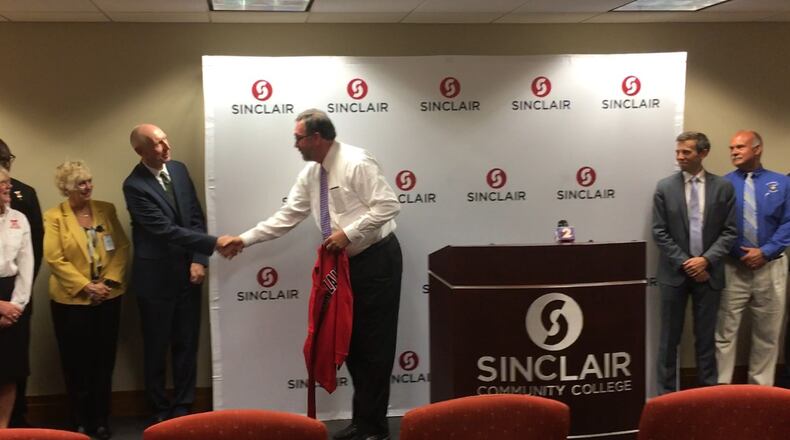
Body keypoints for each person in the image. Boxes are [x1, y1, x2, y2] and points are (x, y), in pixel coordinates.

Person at [219, 109, 402, 440]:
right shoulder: (312, 174)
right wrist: (244, 239)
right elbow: (288, 215)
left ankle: (376, 429)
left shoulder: (357, 162)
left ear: (317, 138)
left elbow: (388, 205)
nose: (295, 145)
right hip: (345, 266)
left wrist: (348, 233)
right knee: (353, 343)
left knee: (375, 346)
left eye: (298, 138)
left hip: (375, 261)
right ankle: (364, 422)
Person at [123, 124, 228, 424]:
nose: (166, 146)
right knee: (156, 347)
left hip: (188, 276)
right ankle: (158, 408)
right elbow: (164, 230)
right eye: (157, 143)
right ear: (140, 151)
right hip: (155, 281)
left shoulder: (179, 170)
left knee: (187, 343)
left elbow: (195, 216)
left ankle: (183, 406)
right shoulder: (134, 185)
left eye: (166, 138)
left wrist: (199, 259)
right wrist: (214, 244)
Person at [44, 161, 130, 438]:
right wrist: (86, 286)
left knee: (104, 363)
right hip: (71, 303)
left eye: (89, 181)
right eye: (81, 183)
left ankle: (102, 419)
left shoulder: (106, 209)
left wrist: (106, 283)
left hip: (108, 297)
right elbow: (55, 258)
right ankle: (80, 421)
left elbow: (122, 247)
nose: (88, 187)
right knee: (76, 363)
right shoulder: (55, 216)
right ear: (67, 189)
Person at [652, 131, 736, 394]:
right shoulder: (664, 187)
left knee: (706, 339)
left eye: (686, 152)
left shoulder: (723, 187)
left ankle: (707, 396)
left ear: (703, 153)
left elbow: (730, 231)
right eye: (678, 152)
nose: (680, 157)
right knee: (669, 340)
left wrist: (705, 261)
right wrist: (688, 263)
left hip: (708, 276)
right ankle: (665, 397)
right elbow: (659, 231)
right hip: (674, 275)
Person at [715, 130, 790, 386]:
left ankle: (760, 393)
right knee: (724, 332)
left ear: (757, 149)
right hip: (733, 266)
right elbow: (717, 225)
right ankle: (721, 392)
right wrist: (740, 253)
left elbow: (788, 222)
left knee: (767, 334)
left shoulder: (782, 183)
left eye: (740, 147)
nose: (734, 152)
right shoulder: (723, 184)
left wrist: (766, 252)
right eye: (731, 148)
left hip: (772, 267)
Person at [0, 139, 43, 428]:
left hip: (13, 295)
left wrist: (16, 304)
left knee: (10, 371)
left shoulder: (20, 213)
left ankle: (8, 428)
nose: (8, 188)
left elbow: (30, 259)